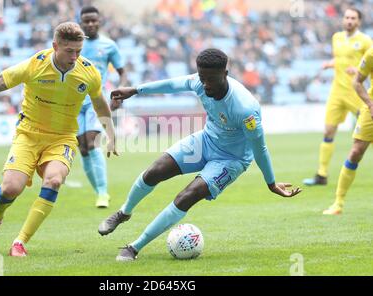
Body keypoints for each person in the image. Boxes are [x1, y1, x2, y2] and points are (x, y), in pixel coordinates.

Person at [98, 48, 301, 261]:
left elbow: (260, 148)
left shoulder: (245, 109)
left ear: (225, 73)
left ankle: (134, 247)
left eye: (210, 79)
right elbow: (173, 85)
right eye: (202, 78)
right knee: (154, 171)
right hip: (205, 141)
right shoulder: (200, 81)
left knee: (186, 196)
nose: (205, 85)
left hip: (230, 160)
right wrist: (136, 90)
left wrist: (271, 183)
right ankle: (123, 213)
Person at [0, 22, 117, 257]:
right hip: (29, 134)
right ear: (55, 46)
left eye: (79, 51)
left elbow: (99, 103)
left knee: (54, 181)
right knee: (10, 189)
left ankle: (20, 242)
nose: (75, 57)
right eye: (69, 51)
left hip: (62, 138)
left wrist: (111, 134)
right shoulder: (34, 66)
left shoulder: (88, 73)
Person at [303, 8, 372, 186]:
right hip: (336, 92)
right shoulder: (337, 38)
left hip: (356, 92)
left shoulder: (365, 41)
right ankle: (322, 175)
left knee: (367, 133)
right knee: (328, 131)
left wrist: (357, 70)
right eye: (347, 17)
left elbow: (368, 65)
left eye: (353, 18)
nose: (349, 20)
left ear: (359, 21)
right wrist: (330, 64)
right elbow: (341, 60)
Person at [76, 6, 127, 208]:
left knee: (92, 142)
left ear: (99, 22)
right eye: (86, 21)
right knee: (83, 148)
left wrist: (119, 93)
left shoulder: (108, 45)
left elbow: (122, 72)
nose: (90, 24)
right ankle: (99, 192)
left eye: (93, 21)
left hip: (96, 101)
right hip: (73, 103)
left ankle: (103, 193)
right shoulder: (74, 45)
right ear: (80, 23)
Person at [323, 45, 373, 215]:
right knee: (356, 152)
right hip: (371, 109)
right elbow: (357, 81)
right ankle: (338, 203)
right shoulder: (371, 52)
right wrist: (370, 104)